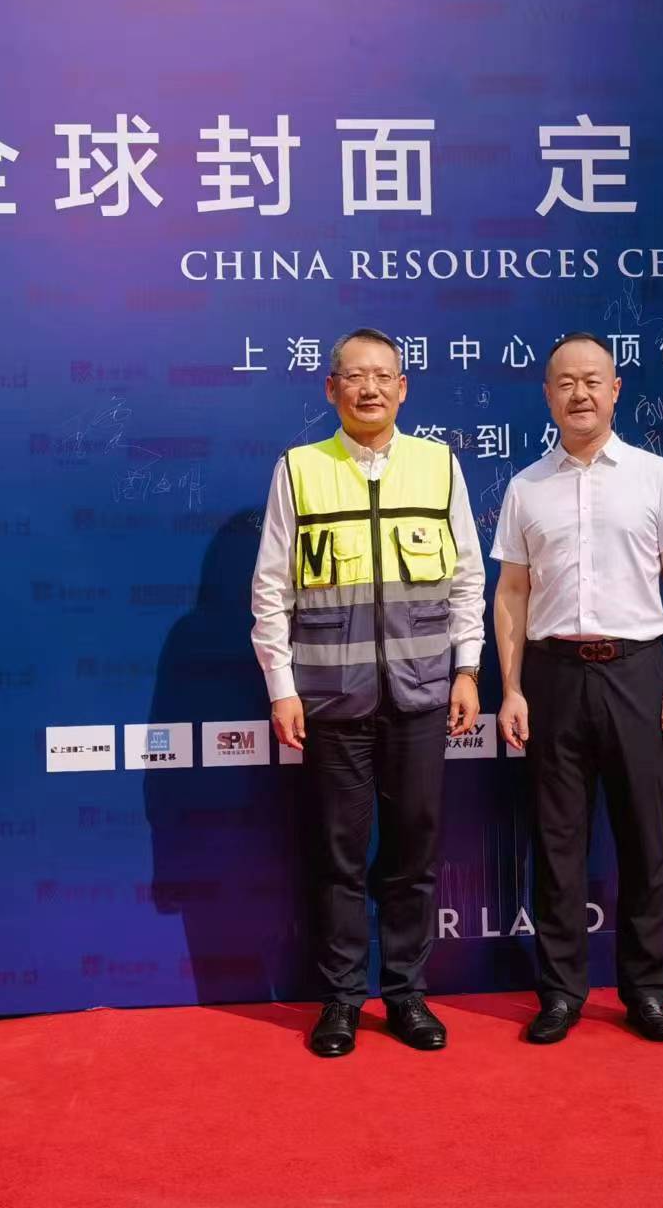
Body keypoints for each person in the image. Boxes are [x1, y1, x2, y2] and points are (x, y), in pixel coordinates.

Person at [251, 327, 486, 1057]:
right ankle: (342, 999)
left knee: (413, 853)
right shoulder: (299, 470)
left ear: (403, 388)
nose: (370, 388)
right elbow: (271, 588)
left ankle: (407, 994)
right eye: (355, 376)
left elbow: (467, 578)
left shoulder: (439, 466)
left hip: (421, 697)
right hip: (331, 700)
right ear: (332, 389)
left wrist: (468, 668)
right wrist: (282, 687)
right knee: (339, 857)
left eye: (383, 375)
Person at [491, 332, 663, 1045]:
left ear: (616, 390)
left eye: (592, 381)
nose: (579, 394)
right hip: (551, 676)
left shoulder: (655, 475)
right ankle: (559, 993)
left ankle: (647, 991)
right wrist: (511, 687)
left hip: (638, 671)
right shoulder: (526, 486)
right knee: (556, 843)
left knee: (645, 838)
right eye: (565, 383)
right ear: (547, 396)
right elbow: (511, 593)